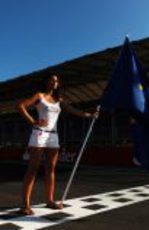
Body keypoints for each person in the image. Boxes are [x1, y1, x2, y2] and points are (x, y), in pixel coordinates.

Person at [17, 74, 99, 215]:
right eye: (52, 80)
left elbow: (74, 111)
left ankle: (50, 201)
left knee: (50, 169)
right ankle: (25, 205)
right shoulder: (39, 95)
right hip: (39, 134)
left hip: (53, 136)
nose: (55, 82)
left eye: (56, 80)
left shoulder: (58, 100)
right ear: (46, 81)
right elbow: (21, 106)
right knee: (33, 169)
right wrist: (33, 121)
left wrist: (90, 115)